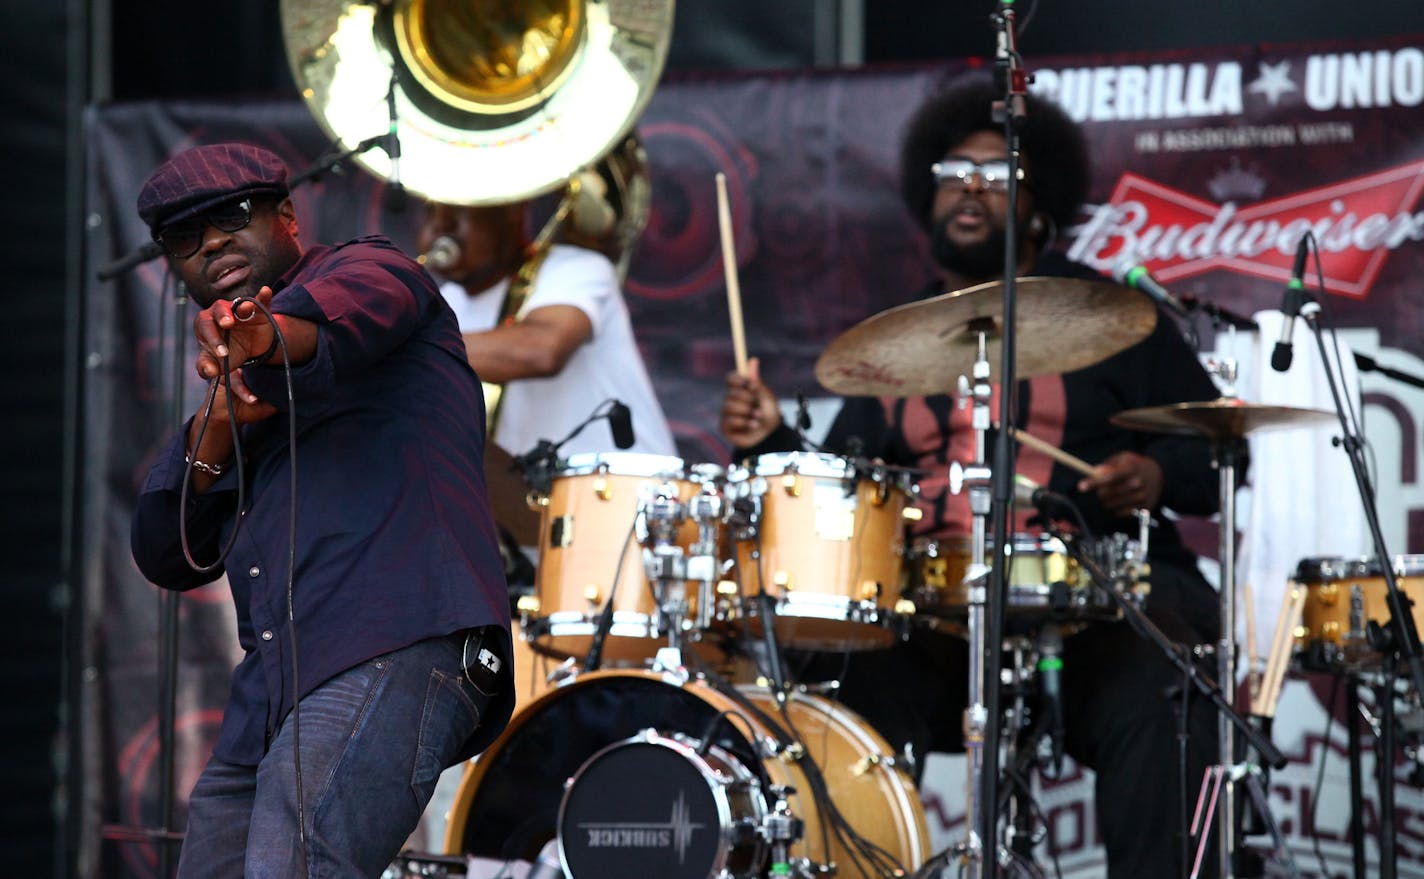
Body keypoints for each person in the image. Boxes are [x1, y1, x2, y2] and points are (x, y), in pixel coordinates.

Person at [720, 78, 1227, 878]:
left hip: (1090, 601)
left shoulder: (1114, 323)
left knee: (1165, 694)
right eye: (954, 171)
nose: (969, 188)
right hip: (933, 616)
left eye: (996, 176)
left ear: (1039, 201)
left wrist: (1156, 472)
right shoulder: (895, 345)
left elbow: (1218, 454)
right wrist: (773, 438)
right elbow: (845, 494)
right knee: (835, 687)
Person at [129, 143, 516, 878]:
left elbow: (324, 322)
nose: (211, 242)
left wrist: (265, 338)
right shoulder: (229, 388)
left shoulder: (376, 267)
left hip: (395, 638)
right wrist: (215, 428)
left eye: (230, 218)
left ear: (286, 218)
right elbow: (163, 548)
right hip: (273, 690)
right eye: (187, 237)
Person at [415, 197, 676, 461]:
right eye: (430, 210)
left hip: (627, 490)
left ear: (511, 209)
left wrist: (405, 347)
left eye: (459, 208)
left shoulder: (575, 268)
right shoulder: (442, 305)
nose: (440, 224)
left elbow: (541, 351)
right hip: (529, 496)